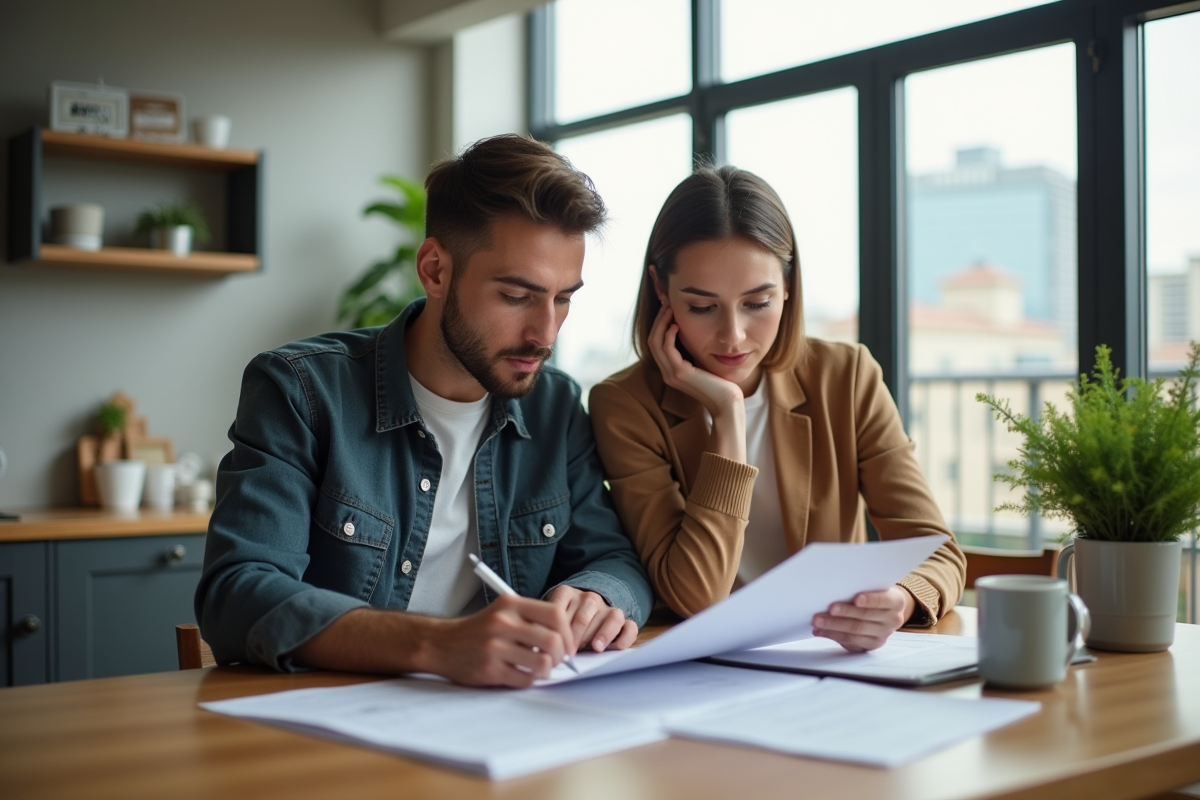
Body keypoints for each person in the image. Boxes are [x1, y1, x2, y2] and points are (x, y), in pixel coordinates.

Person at [196, 134, 653, 687]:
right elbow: (237, 593)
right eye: (516, 296)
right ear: (435, 270)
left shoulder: (554, 405)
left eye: (563, 298)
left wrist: (596, 595)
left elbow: (614, 559)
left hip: (506, 715)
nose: (545, 333)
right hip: (335, 717)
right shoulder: (300, 391)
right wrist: (436, 644)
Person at [588, 166, 966, 652]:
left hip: (826, 657)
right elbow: (695, 595)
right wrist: (728, 413)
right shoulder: (625, 405)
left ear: (787, 284)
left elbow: (939, 551)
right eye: (702, 306)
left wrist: (901, 599)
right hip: (702, 663)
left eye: (757, 303)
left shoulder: (846, 376)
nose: (733, 336)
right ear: (661, 289)